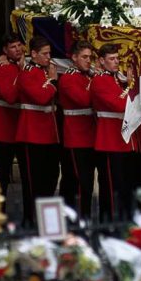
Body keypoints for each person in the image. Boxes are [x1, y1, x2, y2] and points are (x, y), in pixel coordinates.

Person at [90, 44, 141, 221]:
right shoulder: (100, 80)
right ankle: (109, 223)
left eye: (117, 59)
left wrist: (128, 84)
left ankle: (123, 220)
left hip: (123, 140)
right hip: (109, 140)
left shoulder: (116, 79)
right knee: (111, 187)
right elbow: (120, 105)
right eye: (111, 59)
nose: (115, 62)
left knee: (125, 185)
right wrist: (131, 86)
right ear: (101, 61)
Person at [15, 36, 60, 228]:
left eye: (49, 53)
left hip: (48, 133)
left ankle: (46, 219)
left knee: (50, 177)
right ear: (33, 54)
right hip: (31, 133)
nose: (48, 58)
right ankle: (30, 218)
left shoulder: (44, 71)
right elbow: (41, 97)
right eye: (44, 54)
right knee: (33, 181)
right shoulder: (27, 73)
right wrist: (53, 81)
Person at [57, 40, 96, 218]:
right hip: (76, 136)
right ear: (74, 58)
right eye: (84, 57)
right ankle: (80, 219)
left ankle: (83, 217)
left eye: (90, 57)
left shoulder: (89, 76)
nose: (88, 61)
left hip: (91, 135)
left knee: (87, 180)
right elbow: (84, 100)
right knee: (81, 182)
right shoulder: (68, 78)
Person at [0, 33, 25, 214]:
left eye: (19, 46)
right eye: (13, 47)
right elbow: (10, 97)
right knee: (1, 176)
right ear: (5, 50)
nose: (18, 50)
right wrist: (22, 72)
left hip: (22, 127)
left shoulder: (24, 66)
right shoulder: (0, 68)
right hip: (3, 128)